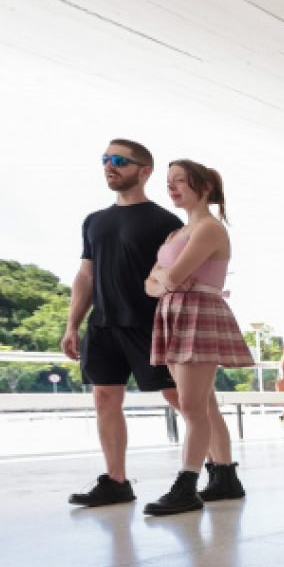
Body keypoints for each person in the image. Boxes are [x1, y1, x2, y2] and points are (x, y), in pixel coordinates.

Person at [65, 139, 190, 508]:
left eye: (119, 160)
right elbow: (85, 276)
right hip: (103, 325)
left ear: (144, 170)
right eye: (105, 159)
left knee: (182, 399)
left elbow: (177, 277)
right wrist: (73, 324)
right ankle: (116, 482)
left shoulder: (166, 222)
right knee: (104, 397)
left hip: (148, 325)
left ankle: (215, 467)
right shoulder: (94, 221)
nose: (109, 166)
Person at [141, 158, 255, 516]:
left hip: (197, 314)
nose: (172, 187)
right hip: (177, 313)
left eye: (181, 182)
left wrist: (166, 279)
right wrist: (166, 279)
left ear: (203, 188)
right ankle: (225, 477)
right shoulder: (176, 233)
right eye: (169, 182)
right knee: (204, 404)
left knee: (191, 406)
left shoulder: (209, 228)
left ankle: (187, 484)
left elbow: (169, 279)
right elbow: (151, 284)